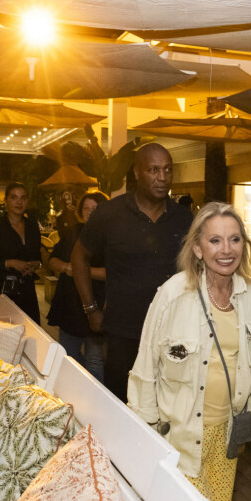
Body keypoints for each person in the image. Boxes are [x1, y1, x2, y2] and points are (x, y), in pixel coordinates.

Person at [128, 202, 251, 501]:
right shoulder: (174, 294)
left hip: (224, 438)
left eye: (234, 239)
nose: (226, 249)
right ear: (198, 248)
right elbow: (145, 368)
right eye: (215, 240)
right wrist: (145, 437)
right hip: (176, 436)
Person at [71, 143, 193, 402]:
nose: (162, 177)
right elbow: (79, 256)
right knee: (123, 404)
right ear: (137, 173)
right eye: (154, 170)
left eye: (168, 170)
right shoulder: (109, 214)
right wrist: (91, 308)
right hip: (123, 334)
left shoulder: (185, 219)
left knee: (169, 404)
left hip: (173, 332)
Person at [47, 191, 109, 381]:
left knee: (95, 360)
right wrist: (66, 267)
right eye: (86, 208)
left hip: (96, 303)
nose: (90, 212)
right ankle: (74, 393)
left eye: (95, 209)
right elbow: (52, 260)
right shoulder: (74, 232)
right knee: (67, 356)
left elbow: (111, 273)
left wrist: (81, 270)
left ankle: (95, 401)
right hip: (70, 304)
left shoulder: (111, 237)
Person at [0, 182, 42, 323]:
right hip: (5, 292)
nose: (19, 202)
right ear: (6, 201)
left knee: (31, 337)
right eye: (14, 197)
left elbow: (38, 257)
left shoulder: (32, 226)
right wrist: (11, 263)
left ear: (27, 201)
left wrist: (35, 264)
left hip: (28, 291)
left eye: (23, 198)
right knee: (6, 338)